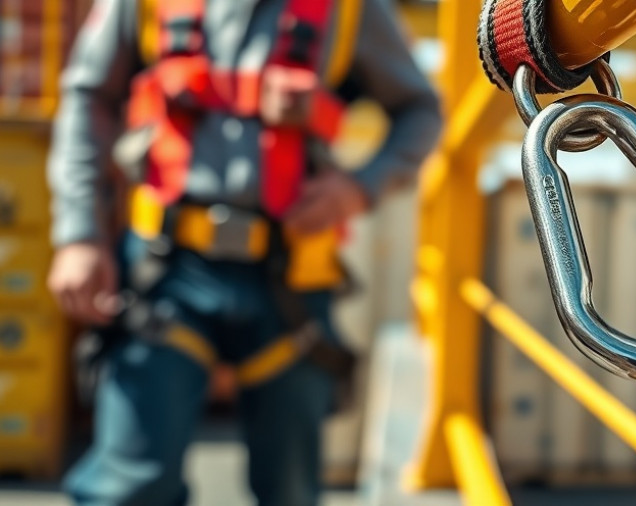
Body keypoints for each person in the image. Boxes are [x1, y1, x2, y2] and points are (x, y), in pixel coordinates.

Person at [45, 0, 442, 504]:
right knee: (130, 486)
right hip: (163, 271)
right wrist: (79, 234)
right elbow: (88, 96)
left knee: (290, 490)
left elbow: (420, 110)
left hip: (292, 281)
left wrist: (358, 188)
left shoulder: (351, 9)